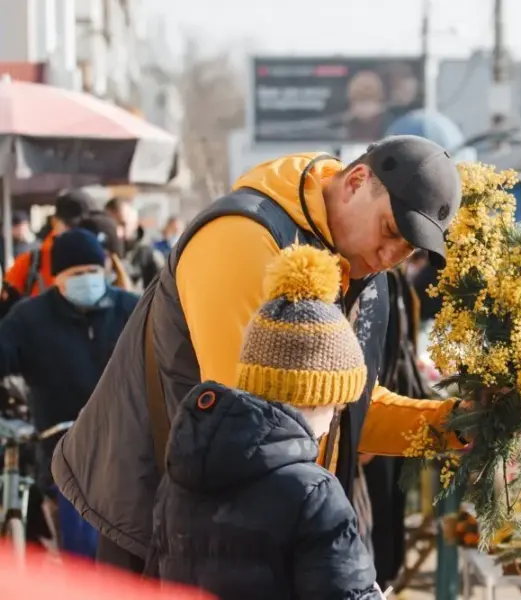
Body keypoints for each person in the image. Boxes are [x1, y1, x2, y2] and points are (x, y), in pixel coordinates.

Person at [52, 135, 465, 572]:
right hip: (159, 526)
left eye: (407, 250)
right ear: (356, 181)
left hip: (242, 531)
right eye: (389, 231)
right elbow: (252, 427)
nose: (389, 257)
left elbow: (344, 408)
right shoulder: (242, 237)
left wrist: (455, 425)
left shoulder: (359, 265)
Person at [150, 245, 380, 600]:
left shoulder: (181, 468)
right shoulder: (313, 492)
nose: (334, 419)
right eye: (337, 406)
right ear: (317, 396)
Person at [0, 229, 140, 557]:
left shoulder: (132, 309)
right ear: (57, 278)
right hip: (63, 450)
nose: (87, 279)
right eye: (77, 274)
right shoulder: (29, 318)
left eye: (93, 271)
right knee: (81, 544)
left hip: (128, 445)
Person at [3, 190, 92, 301]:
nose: (78, 233)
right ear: (54, 222)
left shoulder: (102, 263)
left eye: (85, 228)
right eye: (70, 226)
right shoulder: (30, 263)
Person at [104, 198, 163, 289]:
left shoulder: (150, 256)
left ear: (135, 223)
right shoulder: (100, 252)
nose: (117, 231)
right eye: (111, 225)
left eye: (123, 224)